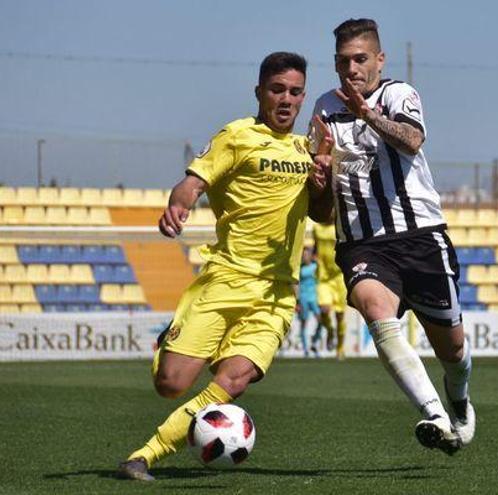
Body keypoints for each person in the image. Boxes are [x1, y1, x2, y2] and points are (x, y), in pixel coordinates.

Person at [118, 51, 334, 481]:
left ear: (303, 95)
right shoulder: (236, 135)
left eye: (294, 91)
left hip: (275, 295)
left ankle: (145, 454)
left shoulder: (307, 149)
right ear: (259, 92)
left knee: (235, 380)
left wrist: (323, 183)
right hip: (225, 280)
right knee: (171, 384)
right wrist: (177, 207)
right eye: (277, 90)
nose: (286, 99)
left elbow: (323, 215)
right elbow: (193, 183)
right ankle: (170, 343)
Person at [309, 18, 474, 455]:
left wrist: (368, 115)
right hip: (361, 242)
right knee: (373, 306)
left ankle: (458, 401)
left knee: (452, 350)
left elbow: (412, 140)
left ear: (379, 60)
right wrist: (319, 179)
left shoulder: (399, 94)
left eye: (360, 59)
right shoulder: (324, 111)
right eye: (344, 62)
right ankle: (434, 414)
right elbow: (320, 214)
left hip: (420, 235)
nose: (352, 69)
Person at [313, 220, 348, 359]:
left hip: (339, 277)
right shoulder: (316, 228)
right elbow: (315, 247)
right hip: (323, 277)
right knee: (324, 309)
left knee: (340, 317)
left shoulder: (340, 227)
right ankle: (330, 330)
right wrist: (314, 255)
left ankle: (340, 348)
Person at [297, 247, 322, 357]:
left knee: (321, 321)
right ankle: (306, 349)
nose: (304, 256)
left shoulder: (316, 266)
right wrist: (297, 301)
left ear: (311, 256)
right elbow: (296, 284)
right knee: (304, 323)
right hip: (303, 297)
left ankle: (314, 342)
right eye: (303, 255)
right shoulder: (299, 268)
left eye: (306, 254)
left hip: (315, 297)